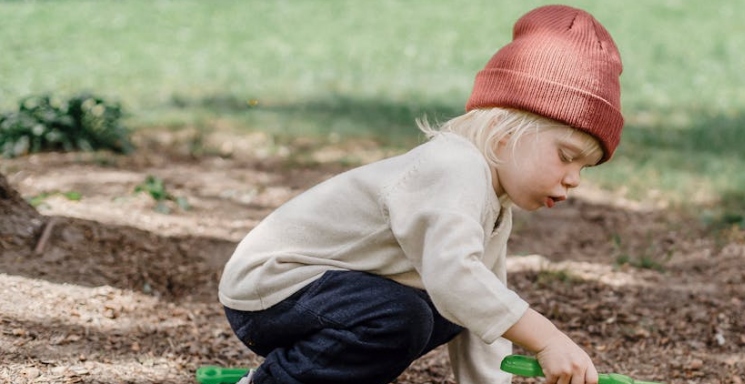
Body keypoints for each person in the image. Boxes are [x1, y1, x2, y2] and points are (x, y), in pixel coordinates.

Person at [217, 4, 624, 384]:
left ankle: (312, 367)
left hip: (326, 293)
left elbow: (484, 309)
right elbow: (456, 279)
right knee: (406, 316)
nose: (574, 179)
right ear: (503, 135)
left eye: (583, 167)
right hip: (271, 287)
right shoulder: (454, 169)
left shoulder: (495, 204)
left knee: (457, 308)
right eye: (566, 156)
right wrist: (548, 337)